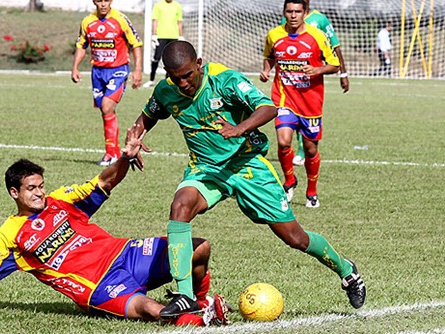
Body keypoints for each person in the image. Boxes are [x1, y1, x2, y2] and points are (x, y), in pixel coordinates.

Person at [129, 39, 366, 319]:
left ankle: (347, 271)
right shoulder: (167, 90)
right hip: (206, 169)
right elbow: (150, 114)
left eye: (187, 75)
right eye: (174, 77)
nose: (181, 83)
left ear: (199, 64)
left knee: (295, 237)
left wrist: (239, 128)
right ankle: (185, 295)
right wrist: (135, 136)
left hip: (247, 166)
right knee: (180, 206)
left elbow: (268, 108)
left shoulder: (226, 80)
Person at [0, 126, 229, 327]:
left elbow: (104, 183)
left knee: (198, 247)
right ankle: (201, 321)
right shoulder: (9, 236)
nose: (39, 193)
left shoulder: (60, 201)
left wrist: (126, 157)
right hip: (99, 285)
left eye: (41, 186)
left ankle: (200, 302)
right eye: (31, 189)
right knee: (150, 309)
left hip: (126, 254)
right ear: (14, 193)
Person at [260, 0, 339, 208]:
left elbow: (334, 64)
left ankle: (311, 191)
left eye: (297, 11)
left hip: (311, 101)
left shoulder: (317, 36)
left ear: (305, 13)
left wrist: (318, 70)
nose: (293, 15)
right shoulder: (274, 35)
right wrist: (267, 70)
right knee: (284, 141)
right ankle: (289, 181)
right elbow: (269, 56)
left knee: (310, 149)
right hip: (284, 97)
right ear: (284, 12)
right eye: (289, 11)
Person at [71, 0, 143, 167]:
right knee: (105, 112)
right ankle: (113, 152)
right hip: (97, 72)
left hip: (118, 70)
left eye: (106, 0)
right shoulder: (87, 22)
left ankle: (112, 154)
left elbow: (136, 44)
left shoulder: (121, 19)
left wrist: (137, 69)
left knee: (107, 107)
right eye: (99, 0)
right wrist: (75, 67)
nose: (103, 4)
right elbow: (81, 45)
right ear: (94, 1)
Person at [279, 0, 350, 166]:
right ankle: (299, 151)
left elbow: (335, 46)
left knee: (306, 117)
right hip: (290, 80)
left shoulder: (320, 19)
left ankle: (304, 150)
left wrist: (343, 73)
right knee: (291, 115)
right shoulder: (287, 19)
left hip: (312, 81)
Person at [142, 0, 184, 88]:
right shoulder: (158, 5)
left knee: (171, 60)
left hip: (173, 36)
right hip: (161, 36)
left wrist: (181, 36)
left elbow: (179, 22)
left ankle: (168, 80)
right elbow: (155, 21)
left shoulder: (177, 6)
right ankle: (151, 79)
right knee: (156, 57)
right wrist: (154, 35)